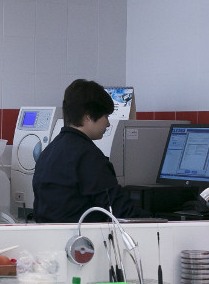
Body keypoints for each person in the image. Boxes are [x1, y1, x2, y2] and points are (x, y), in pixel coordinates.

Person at [32, 79, 143, 223]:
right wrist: (161, 221)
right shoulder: (89, 157)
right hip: (82, 240)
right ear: (88, 116)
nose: (108, 123)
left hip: (50, 238)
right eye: (106, 116)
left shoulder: (48, 152)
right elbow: (119, 210)